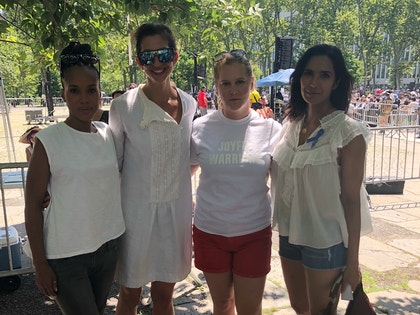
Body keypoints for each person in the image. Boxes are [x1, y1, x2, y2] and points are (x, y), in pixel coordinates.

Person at [24, 41, 125, 314]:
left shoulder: (107, 134)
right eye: (75, 90)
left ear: (99, 94)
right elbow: (33, 204)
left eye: (91, 90)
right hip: (66, 257)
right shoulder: (48, 141)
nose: (84, 98)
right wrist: (40, 264)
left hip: (108, 247)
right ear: (63, 94)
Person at [271, 44, 372, 314]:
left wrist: (353, 265)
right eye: (308, 73)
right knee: (299, 307)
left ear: (336, 81)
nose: (313, 83)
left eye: (324, 75)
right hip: (290, 234)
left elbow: (351, 201)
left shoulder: (347, 134)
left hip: (325, 241)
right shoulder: (291, 125)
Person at [109, 23, 196, 315]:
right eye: (147, 57)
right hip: (136, 216)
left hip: (175, 216)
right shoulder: (123, 107)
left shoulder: (190, 104)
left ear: (176, 55)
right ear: (138, 61)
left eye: (163, 54)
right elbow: (112, 165)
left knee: (164, 296)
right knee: (130, 294)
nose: (156, 63)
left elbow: (189, 158)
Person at [190, 49, 282, 315]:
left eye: (240, 82)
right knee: (222, 304)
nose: (233, 91)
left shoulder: (271, 131)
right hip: (210, 231)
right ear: (216, 87)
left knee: (250, 308)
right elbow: (186, 172)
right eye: (225, 84)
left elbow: (285, 183)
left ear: (252, 83)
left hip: (253, 232)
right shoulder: (200, 128)